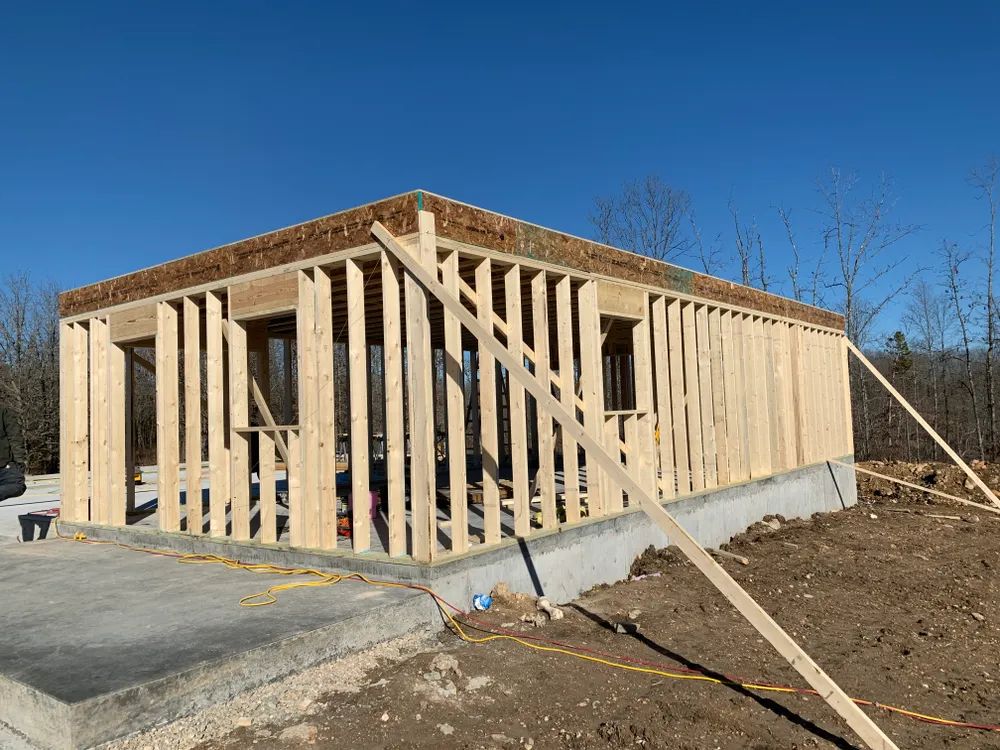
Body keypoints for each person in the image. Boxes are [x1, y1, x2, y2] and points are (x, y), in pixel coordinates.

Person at [0, 405, 27, 503]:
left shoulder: (4, 412)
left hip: (5, 465)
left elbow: (15, 438)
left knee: (18, 487)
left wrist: (19, 461)